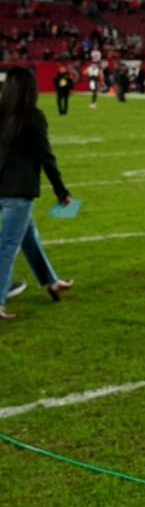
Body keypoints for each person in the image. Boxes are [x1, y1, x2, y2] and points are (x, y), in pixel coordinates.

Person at [0, 67, 74, 320]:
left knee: (27, 238)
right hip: (18, 191)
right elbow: (46, 157)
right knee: (8, 245)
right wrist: (61, 191)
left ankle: (51, 282)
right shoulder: (32, 116)